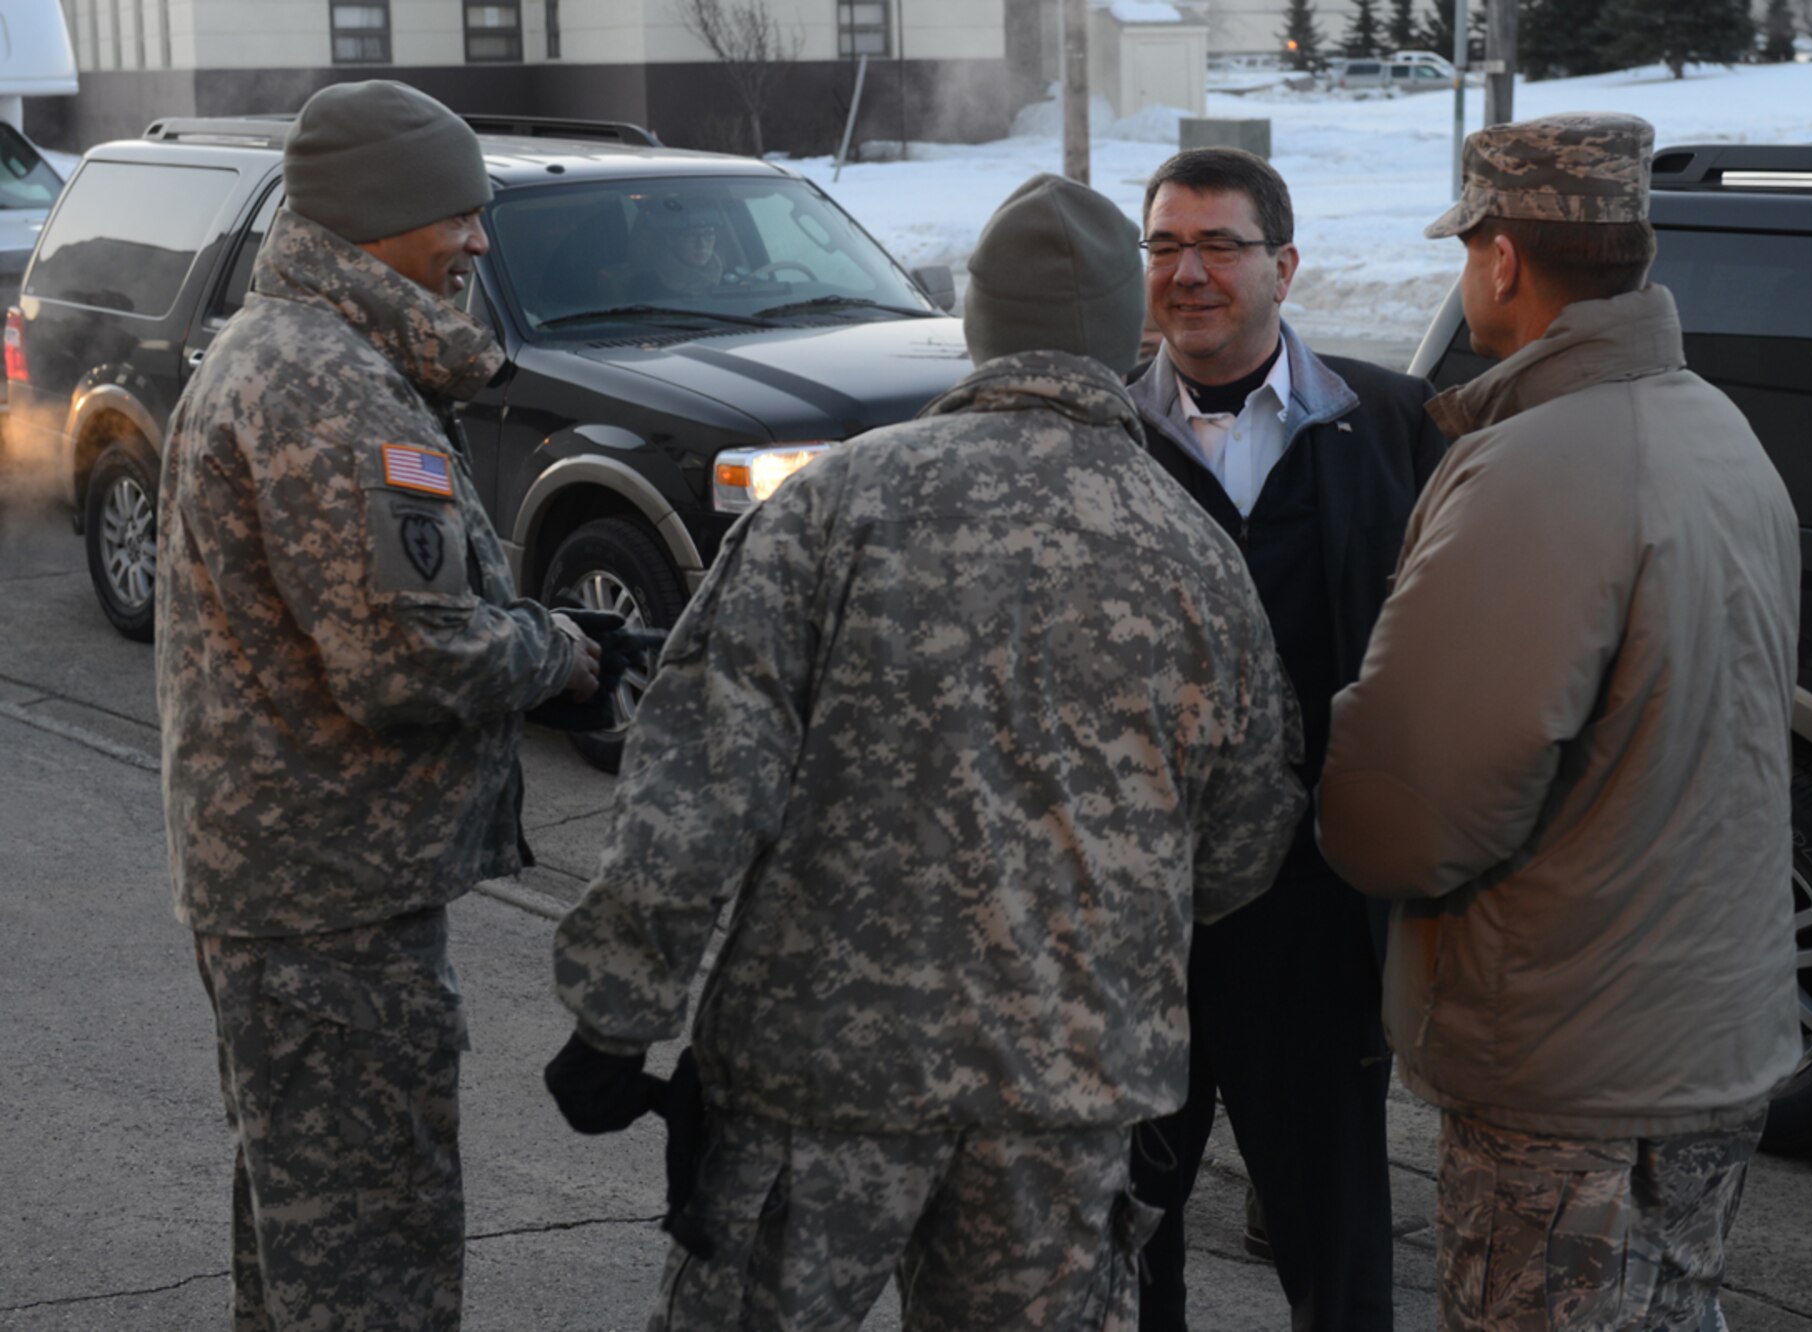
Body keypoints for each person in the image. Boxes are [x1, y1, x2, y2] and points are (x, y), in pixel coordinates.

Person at [542, 173, 1307, 1331]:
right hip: (1064, 1095)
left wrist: (614, 1020)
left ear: (976, 323)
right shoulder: (1196, 557)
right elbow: (1245, 841)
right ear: (1124, 330)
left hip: (820, 1078)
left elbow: (692, 794)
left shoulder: (831, 506)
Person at [1318, 113, 1802, 1331]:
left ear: (1500, 259)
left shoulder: (1537, 465)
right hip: (1710, 1039)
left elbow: (1410, 815)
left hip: (1565, 1068)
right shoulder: (1718, 433)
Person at [154, 80, 601, 1330]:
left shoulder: (292, 352)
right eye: (456, 213)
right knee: (369, 1271)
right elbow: (408, 666)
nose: (475, 239)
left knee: (302, 1253)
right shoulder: (327, 384)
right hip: (327, 908)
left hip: (297, 891)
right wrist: (552, 650)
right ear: (380, 219)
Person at [1124, 146, 1448, 1331]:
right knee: (1126, 1235)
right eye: (1163, 245)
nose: (1187, 273)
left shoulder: (1395, 426)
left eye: (1218, 245)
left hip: (1313, 922)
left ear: (1284, 265)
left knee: (1336, 1239)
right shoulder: (1102, 434)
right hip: (1134, 918)